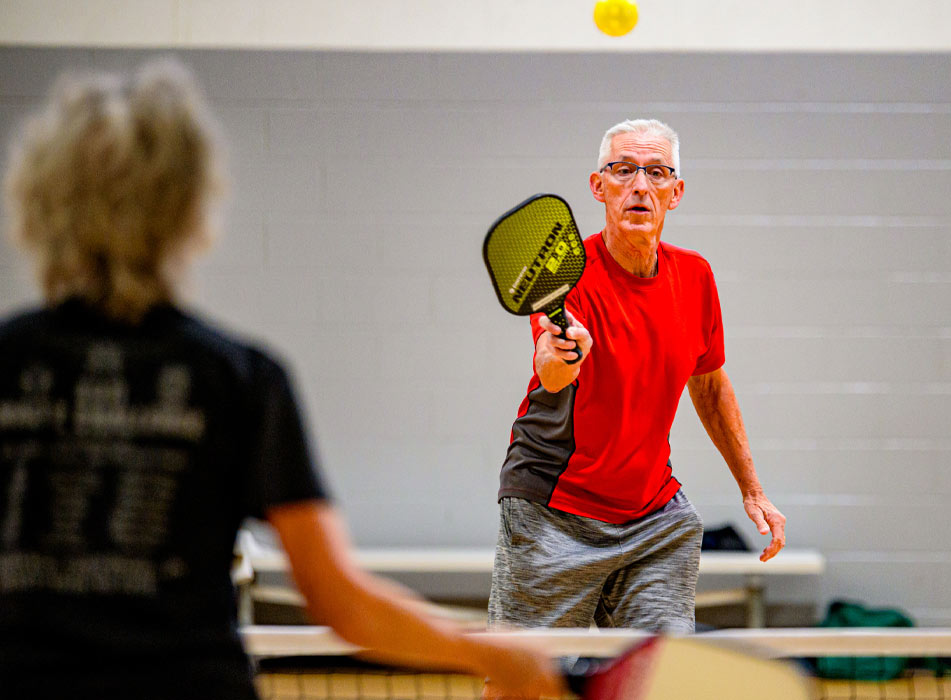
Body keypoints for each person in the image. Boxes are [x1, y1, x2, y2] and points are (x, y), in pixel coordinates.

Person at [0, 60, 563, 699]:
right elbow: (337, 597)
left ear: (41, 197)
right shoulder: (237, 376)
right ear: (188, 206)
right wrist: (493, 654)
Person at [489, 119, 787, 633]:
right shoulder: (566, 273)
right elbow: (551, 371)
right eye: (624, 170)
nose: (640, 186)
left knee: (661, 674)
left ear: (676, 193)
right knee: (524, 681)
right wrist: (565, 353)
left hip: (652, 517)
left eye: (656, 173)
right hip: (554, 509)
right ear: (598, 186)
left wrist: (752, 488)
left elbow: (711, 385)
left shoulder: (695, 277)